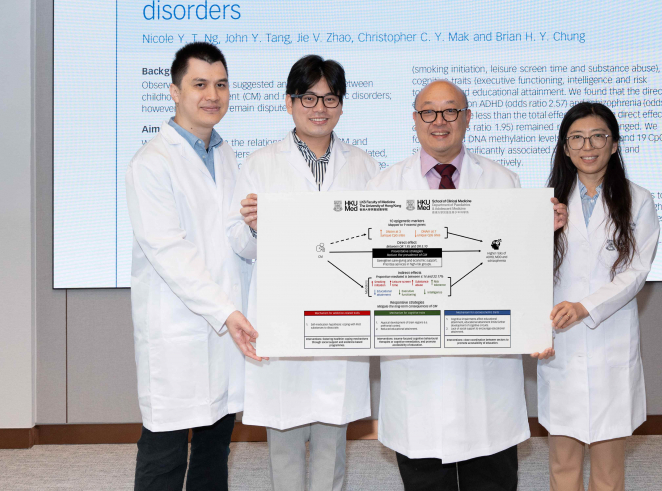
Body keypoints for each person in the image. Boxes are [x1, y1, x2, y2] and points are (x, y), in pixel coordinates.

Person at [366, 80, 567, 491]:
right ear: (414, 120)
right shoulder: (383, 187)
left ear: (468, 117)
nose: (439, 121)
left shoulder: (503, 181)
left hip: (485, 370)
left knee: (491, 479)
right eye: (428, 111)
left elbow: (519, 268)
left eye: (451, 110)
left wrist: (540, 233)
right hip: (417, 365)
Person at [225, 55, 379, 491]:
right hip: (284, 316)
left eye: (330, 98)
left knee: (333, 443)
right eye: (308, 97)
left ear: (342, 105)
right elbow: (238, 242)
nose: (319, 108)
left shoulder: (365, 165)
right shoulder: (260, 164)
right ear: (289, 102)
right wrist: (256, 227)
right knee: (284, 437)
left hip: (341, 317)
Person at [126, 42, 262, 491]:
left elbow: (232, 238)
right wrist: (225, 311)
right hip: (179, 325)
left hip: (224, 322)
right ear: (174, 92)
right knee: (165, 453)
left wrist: (255, 228)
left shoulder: (225, 154)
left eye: (221, 85)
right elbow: (168, 250)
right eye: (200, 84)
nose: (212, 95)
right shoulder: (152, 162)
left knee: (214, 447)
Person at [532, 102, 660, 491]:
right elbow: (525, 269)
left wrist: (584, 307)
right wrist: (542, 232)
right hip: (561, 341)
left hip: (610, 341)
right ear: (565, 147)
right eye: (577, 138)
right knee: (563, 466)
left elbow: (636, 272)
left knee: (608, 471)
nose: (588, 146)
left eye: (598, 136)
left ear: (614, 144)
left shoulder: (638, 200)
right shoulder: (545, 204)